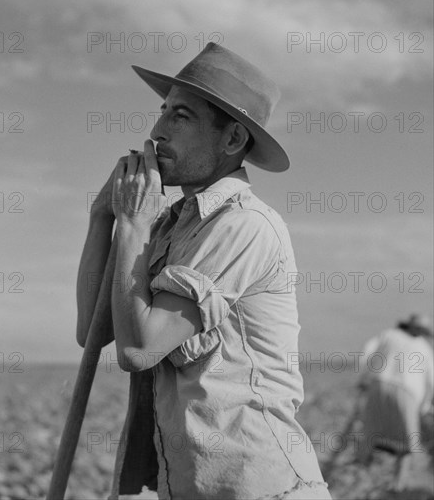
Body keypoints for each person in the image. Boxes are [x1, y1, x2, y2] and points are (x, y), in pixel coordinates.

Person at [77, 43, 331, 499]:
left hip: (256, 485)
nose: (157, 131)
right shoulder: (170, 227)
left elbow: (139, 350)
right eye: (163, 110)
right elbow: (91, 334)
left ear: (232, 140)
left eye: (181, 116)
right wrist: (102, 219)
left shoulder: (243, 225)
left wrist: (133, 223)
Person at [356, 313, 434, 490]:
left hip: (379, 384)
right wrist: (425, 406)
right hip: (407, 393)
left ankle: (360, 476)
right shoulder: (424, 348)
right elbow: (431, 380)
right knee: (407, 441)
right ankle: (398, 485)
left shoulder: (389, 335)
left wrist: (364, 379)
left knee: (369, 432)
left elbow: (369, 353)